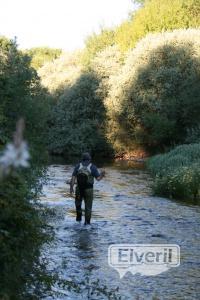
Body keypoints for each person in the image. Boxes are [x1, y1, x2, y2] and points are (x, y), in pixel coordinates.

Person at [70, 152, 105, 225]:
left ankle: (78, 220)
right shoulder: (92, 167)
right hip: (89, 190)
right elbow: (98, 179)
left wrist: (71, 188)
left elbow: (73, 178)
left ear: (82, 159)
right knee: (88, 208)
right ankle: (87, 224)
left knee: (78, 204)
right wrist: (102, 174)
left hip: (79, 189)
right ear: (89, 159)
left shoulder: (78, 166)